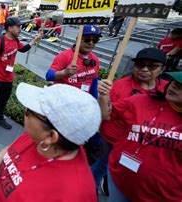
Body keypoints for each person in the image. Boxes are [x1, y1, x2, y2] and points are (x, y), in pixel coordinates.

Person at [0, 83, 100, 201]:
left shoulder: (74, 194)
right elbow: (23, 139)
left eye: (29, 111)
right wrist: (4, 153)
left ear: (51, 136)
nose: (25, 111)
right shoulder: (41, 136)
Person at [97, 71, 182, 201]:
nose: (174, 86)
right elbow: (105, 114)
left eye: (181, 86)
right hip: (119, 180)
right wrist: (103, 96)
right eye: (174, 82)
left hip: (161, 196)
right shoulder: (141, 100)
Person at [94, 48, 168, 195]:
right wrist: (103, 96)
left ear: (162, 69)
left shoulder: (168, 89)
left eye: (152, 66)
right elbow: (104, 114)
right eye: (140, 65)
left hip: (144, 144)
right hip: (112, 139)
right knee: (102, 165)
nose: (144, 69)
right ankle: (88, 189)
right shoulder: (118, 86)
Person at [46, 24, 101, 98]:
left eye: (95, 40)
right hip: (62, 98)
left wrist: (95, 101)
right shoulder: (64, 55)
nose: (91, 43)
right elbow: (49, 76)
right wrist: (64, 72)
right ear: (78, 39)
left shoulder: (95, 59)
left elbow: (94, 81)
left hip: (82, 102)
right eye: (87, 39)